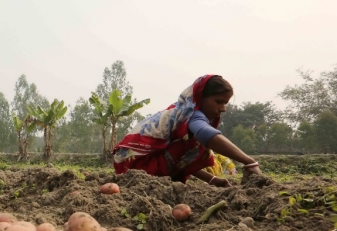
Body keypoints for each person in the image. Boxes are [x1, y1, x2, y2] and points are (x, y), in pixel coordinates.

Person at [112, 75, 262, 187]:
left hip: (131, 164)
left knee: (195, 144)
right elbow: (206, 136)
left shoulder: (182, 114)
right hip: (136, 165)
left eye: (225, 103)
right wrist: (249, 162)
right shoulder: (190, 114)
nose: (223, 108)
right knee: (199, 143)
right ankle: (159, 181)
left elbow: (184, 160)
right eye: (219, 102)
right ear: (200, 98)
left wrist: (213, 180)